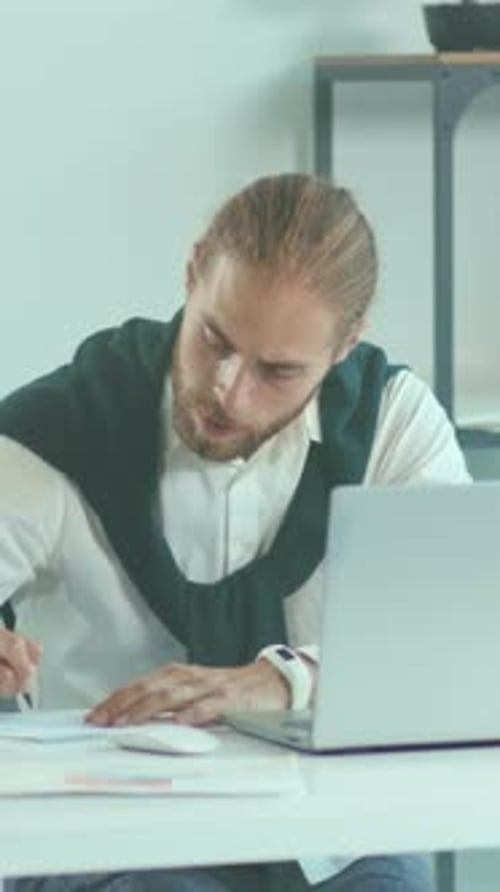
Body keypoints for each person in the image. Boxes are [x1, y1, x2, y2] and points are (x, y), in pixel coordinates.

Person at [0, 173, 469, 892]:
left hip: (331, 841)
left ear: (346, 344)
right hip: (108, 839)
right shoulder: (58, 431)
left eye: (278, 371)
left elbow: (455, 647)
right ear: (192, 275)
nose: (227, 389)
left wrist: (281, 680)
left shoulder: (394, 426)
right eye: (214, 339)